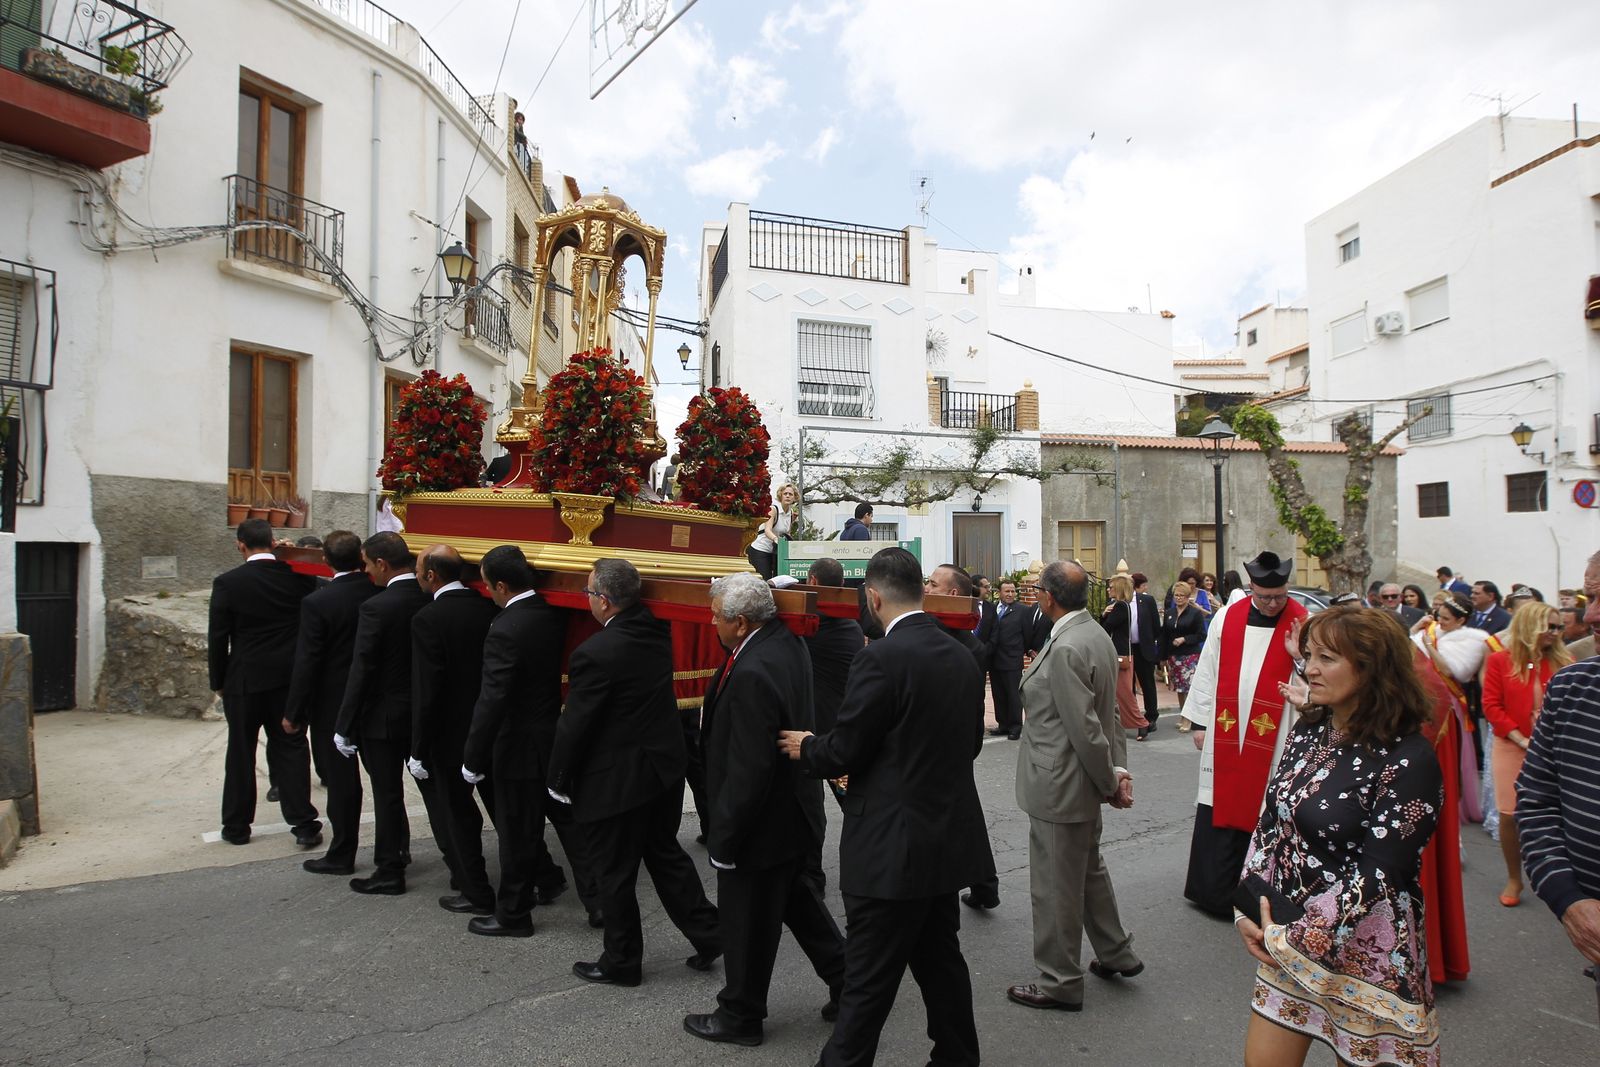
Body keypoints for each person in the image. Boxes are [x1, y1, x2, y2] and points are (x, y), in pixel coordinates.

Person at [777, 546, 993, 1067]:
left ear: (873, 596)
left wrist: (807, 745)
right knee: (941, 962)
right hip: (943, 839)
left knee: (867, 981)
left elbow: (845, 749)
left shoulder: (880, 657)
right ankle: (958, 1057)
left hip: (891, 848)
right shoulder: (962, 654)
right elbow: (969, 746)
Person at [1234, 606, 1442, 1067]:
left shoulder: (1410, 759)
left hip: (1370, 957)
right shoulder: (1310, 730)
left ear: (1372, 667)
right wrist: (1249, 907)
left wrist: (1291, 938)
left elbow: (1381, 875)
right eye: (1308, 655)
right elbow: (1272, 824)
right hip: (1288, 938)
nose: (1308, 668)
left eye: (1326, 658)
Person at [683, 574, 846, 1047]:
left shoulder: (756, 668)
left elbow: (749, 765)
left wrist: (726, 837)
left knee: (747, 923)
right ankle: (848, 981)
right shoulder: (784, 642)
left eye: (716, 616)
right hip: (788, 812)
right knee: (798, 903)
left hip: (760, 821)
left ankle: (741, 1015)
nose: (710, 622)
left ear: (739, 622)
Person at [547, 559, 721, 986]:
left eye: (590, 594)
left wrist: (558, 777)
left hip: (617, 778)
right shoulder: (654, 632)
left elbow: (577, 724)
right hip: (660, 770)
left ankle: (622, 961)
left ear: (604, 602)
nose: (588, 601)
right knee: (664, 856)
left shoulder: (594, 652)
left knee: (613, 871)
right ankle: (710, 932)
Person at [1005, 561, 1140, 1013]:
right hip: (1079, 779)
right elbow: (1111, 715)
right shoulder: (1094, 634)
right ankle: (1116, 951)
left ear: (1047, 597)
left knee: (1056, 885)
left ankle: (1060, 979)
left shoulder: (1067, 645)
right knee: (1087, 871)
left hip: (1061, 782)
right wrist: (1116, 772)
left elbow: (1087, 726)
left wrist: (1111, 780)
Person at [463, 545, 596, 935]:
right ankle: (598, 901)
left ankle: (514, 914)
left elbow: (493, 699)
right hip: (549, 736)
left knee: (517, 832)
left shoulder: (504, 628)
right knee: (568, 824)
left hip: (517, 746)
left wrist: (473, 757)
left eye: (488, 586)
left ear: (502, 585)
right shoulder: (548, 613)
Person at [1180, 550, 1308, 917]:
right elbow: (1208, 669)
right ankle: (1213, 892)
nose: (1271, 604)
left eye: (1279, 597)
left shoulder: (1303, 622)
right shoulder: (1228, 617)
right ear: (1251, 589)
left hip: (1278, 731)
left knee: (1266, 809)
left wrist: (1298, 657)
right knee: (1219, 802)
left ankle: (1263, 899)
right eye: (1264, 597)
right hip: (1226, 729)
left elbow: (1316, 674)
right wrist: (1202, 721)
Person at [207, 519, 321, 848]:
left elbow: (218, 637)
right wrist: (287, 555)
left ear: (240, 545)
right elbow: (316, 569)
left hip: (244, 678)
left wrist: (218, 680)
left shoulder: (229, 582)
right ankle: (303, 823)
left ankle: (237, 826)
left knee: (240, 751)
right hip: (288, 678)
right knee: (292, 747)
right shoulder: (297, 577)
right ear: (273, 542)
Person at [1517, 550, 1600, 993]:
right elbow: (1538, 801)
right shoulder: (1573, 688)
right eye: (1590, 597)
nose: (1589, 616)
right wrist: (1570, 900)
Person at [333, 532, 429, 895]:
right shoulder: (428, 597)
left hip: (384, 718)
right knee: (437, 795)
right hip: (422, 713)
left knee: (387, 794)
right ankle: (460, 867)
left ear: (382, 564)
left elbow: (362, 669)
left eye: (368, 564)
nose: (367, 572)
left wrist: (344, 725)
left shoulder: (376, 607)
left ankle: (390, 868)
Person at [408, 545, 499, 917]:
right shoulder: (487, 607)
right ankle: (543, 874)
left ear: (432, 575)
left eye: (418, 570)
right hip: (489, 726)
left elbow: (427, 690)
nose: (416, 576)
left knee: (458, 814)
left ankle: (475, 890)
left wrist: (418, 748)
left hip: (448, 735)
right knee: (503, 810)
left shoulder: (428, 618)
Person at [285, 530, 380, 875]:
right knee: (383, 781)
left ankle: (342, 853)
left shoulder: (318, 602)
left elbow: (307, 661)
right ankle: (394, 848)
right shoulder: (377, 590)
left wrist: (293, 712)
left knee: (341, 781)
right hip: (374, 697)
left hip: (332, 703)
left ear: (325, 560)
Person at [1483, 600, 1572, 908]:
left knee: (1561, 812)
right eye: (1550, 626)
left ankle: (1565, 879)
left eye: (1559, 627)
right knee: (1510, 814)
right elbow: (1492, 706)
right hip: (1511, 744)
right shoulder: (1500, 661)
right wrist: (1521, 739)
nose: (1556, 633)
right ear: (1530, 626)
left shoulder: (1565, 660)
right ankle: (1514, 876)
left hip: (1555, 747)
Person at [925, 564, 1001, 912]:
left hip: (947, 746)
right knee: (966, 815)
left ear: (953, 594)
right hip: (953, 746)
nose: (926, 587)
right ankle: (985, 886)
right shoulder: (954, 636)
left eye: (932, 583)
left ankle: (973, 885)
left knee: (959, 818)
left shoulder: (962, 644)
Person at [802, 557, 864, 892]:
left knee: (812, 807)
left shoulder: (812, 623)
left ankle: (813, 878)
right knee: (853, 802)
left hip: (816, 730)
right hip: (842, 727)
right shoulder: (851, 625)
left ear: (812, 581)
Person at [1100, 575, 1147, 740]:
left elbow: (1106, 628)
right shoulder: (1117, 605)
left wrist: (1104, 614)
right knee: (1116, 693)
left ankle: (1142, 723)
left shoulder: (1119, 606)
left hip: (1120, 654)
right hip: (1118, 652)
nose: (1108, 589)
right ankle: (1118, 724)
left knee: (1124, 693)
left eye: (1111, 587)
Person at [1161, 580, 1207, 720]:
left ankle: (1189, 718)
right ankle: (1183, 715)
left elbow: (1201, 634)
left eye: (1182, 595)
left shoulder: (1195, 613)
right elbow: (1164, 635)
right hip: (1174, 656)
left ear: (1187, 597)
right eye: (1176, 595)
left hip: (1190, 655)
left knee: (1189, 688)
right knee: (1179, 689)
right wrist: (1162, 657)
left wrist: (1184, 639)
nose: (1179, 598)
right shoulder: (1169, 613)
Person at [989, 579, 1026, 739]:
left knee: (1013, 695)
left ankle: (1015, 726)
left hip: (1012, 659)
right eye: (1007, 591)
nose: (1011, 594)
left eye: (1013, 591)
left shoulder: (1022, 610)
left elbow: (1027, 633)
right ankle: (1002, 724)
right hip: (994, 658)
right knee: (998, 694)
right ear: (999, 593)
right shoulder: (992, 609)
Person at [1128, 573, 1162, 734]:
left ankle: (1151, 716)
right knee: (1128, 685)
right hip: (1127, 650)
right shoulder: (1118, 602)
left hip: (1143, 648)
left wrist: (1151, 643)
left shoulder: (1146, 600)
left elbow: (1156, 625)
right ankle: (1133, 716)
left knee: (1147, 683)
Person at [746, 483, 799, 580]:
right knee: (764, 579)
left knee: (777, 580)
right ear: (780, 496)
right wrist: (776, 539)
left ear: (794, 497)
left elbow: (787, 533)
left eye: (790, 494)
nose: (787, 496)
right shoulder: (773, 509)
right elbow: (767, 530)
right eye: (785, 494)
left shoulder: (791, 513)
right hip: (760, 549)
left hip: (775, 552)